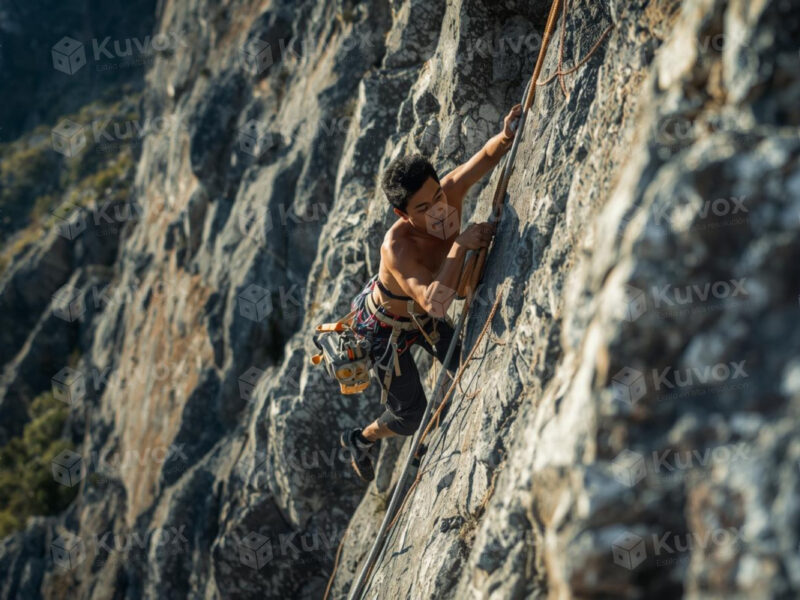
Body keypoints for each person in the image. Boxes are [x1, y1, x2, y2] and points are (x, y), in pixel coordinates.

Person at [340, 103, 523, 482]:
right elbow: (436, 304)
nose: (438, 209)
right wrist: (461, 246)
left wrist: (506, 134)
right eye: (423, 207)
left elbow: (486, 156)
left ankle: (429, 436)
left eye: (437, 195)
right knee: (408, 416)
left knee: (466, 362)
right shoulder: (398, 248)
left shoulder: (447, 194)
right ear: (402, 215)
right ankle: (361, 438)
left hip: (420, 312)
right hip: (385, 331)